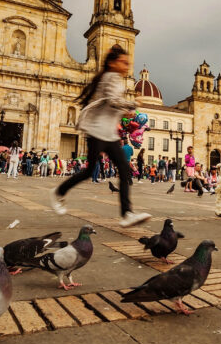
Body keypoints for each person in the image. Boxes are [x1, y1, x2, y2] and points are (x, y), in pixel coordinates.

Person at [50, 47, 150, 227]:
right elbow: (112, 101)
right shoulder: (111, 77)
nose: (127, 65)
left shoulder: (116, 79)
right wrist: (133, 104)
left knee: (123, 170)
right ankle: (58, 192)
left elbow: (112, 106)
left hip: (108, 133)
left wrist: (126, 114)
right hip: (97, 132)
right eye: (124, 62)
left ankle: (127, 213)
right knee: (91, 171)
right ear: (112, 63)